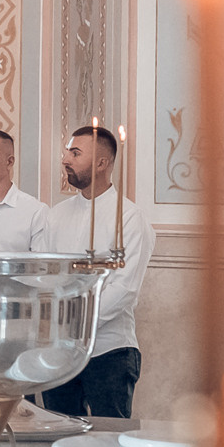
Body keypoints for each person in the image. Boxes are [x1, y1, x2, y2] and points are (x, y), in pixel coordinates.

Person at [40, 125, 155, 419]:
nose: (65, 159)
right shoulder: (56, 215)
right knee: (61, 435)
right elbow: (47, 277)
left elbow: (125, 289)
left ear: (102, 163)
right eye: (67, 151)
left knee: (108, 439)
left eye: (75, 153)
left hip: (109, 351)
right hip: (60, 350)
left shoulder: (128, 218)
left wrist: (75, 321)